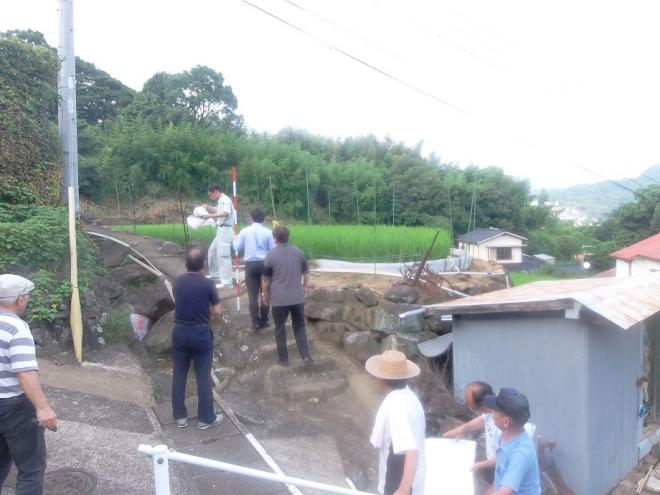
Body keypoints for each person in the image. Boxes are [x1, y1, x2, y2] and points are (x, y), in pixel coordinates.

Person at [0, 274, 57, 494]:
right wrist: (43, 408)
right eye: (27, 296)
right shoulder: (17, 327)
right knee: (30, 470)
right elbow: (25, 373)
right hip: (14, 408)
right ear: (20, 300)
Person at [171, 245, 224, 430]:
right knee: (203, 377)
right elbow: (217, 310)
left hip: (179, 331)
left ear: (187, 263)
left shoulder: (178, 281)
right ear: (203, 264)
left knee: (179, 374)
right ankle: (206, 418)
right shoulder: (208, 283)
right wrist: (207, 310)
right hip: (200, 333)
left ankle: (180, 417)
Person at [444, 381, 536, 483]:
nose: (469, 408)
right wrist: (462, 429)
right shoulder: (495, 410)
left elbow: (506, 459)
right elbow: (484, 419)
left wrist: (479, 465)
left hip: (503, 470)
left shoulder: (505, 427)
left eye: (470, 405)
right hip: (495, 467)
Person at [366, 350, 426, 495]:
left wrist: (403, 489)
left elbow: (411, 450)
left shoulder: (396, 406)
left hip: (398, 477)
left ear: (381, 379)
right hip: (416, 475)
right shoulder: (410, 396)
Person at [261, 226, 313, 366]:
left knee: (279, 328)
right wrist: (305, 287)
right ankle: (305, 356)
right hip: (297, 297)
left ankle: (284, 360)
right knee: (300, 326)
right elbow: (307, 274)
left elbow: (266, 279)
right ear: (288, 236)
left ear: (274, 238)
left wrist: (265, 293)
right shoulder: (299, 253)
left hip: (279, 299)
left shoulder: (270, 255)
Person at [483, 388, 541, 495]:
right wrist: (479, 465)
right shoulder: (506, 435)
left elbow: (505, 492)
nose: (491, 412)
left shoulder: (520, 454)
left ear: (505, 421)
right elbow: (503, 462)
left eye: (494, 410)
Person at [232, 208, 274, 331]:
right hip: (265, 265)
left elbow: (236, 247)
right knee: (265, 293)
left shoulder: (244, 231)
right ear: (264, 218)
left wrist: (235, 236)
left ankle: (255, 321)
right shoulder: (268, 232)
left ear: (251, 218)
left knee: (252, 295)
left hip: (250, 265)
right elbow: (273, 250)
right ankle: (265, 319)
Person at [203, 183, 235, 287]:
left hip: (226, 229)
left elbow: (226, 213)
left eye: (210, 195)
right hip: (220, 230)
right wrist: (207, 207)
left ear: (216, 191)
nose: (210, 197)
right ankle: (215, 274)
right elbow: (217, 210)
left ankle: (227, 282)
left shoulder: (226, 199)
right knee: (212, 250)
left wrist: (209, 216)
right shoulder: (220, 201)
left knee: (223, 255)